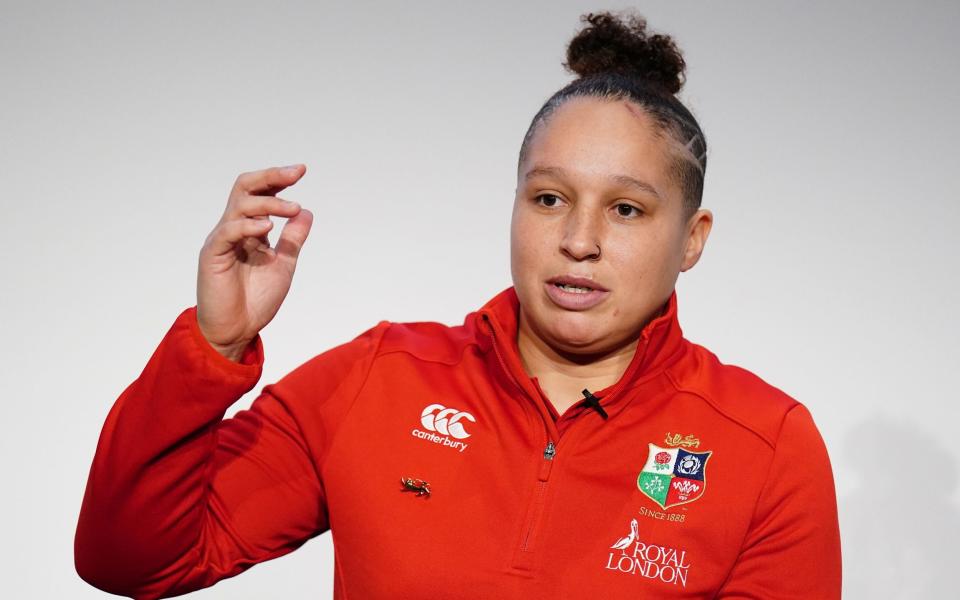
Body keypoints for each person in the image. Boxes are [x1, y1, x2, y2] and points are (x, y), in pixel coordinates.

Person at [74, 11, 841, 599]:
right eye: (549, 198)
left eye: (628, 210)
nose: (578, 239)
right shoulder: (378, 381)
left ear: (692, 239)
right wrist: (214, 345)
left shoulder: (768, 447)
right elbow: (132, 560)